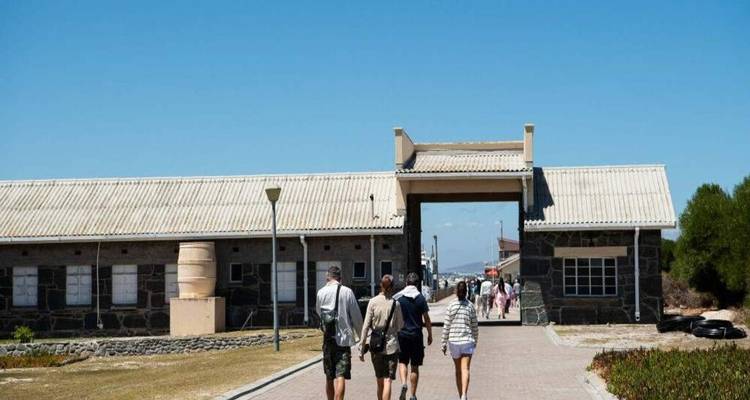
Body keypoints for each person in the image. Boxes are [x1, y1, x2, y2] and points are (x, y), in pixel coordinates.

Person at [316, 265, 364, 400]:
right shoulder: (347, 292)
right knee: (340, 375)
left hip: (328, 339)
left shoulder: (321, 292)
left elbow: (319, 313)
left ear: (327, 277)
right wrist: (361, 338)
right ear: (340, 278)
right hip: (343, 340)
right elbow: (356, 317)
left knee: (329, 376)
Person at [360, 275, 404, 400]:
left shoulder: (372, 302)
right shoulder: (396, 304)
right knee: (388, 380)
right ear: (392, 287)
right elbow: (400, 326)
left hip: (375, 345)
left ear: (380, 285)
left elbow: (365, 326)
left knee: (379, 380)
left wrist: (362, 347)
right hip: (391, 345)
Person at [394, 273, 433, 400]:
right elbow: (426, 318)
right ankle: (413, 395)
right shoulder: (420, 298)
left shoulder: (399, 298)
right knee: (415, 366)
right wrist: (430, 334)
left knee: (403, 362)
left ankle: (404, 383)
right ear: (417, 284)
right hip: (416, 335)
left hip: (402, 334)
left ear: (406, 282)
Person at [441, 281, 479, 400]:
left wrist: (443, 342)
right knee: (465, 369)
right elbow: (474, 326)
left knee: (458, 370)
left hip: (453, 341)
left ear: (457, 292)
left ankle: (460, 395)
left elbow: (446, 325)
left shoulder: (451, 305)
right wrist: (475, 340)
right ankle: (464, 395)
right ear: (467, 292)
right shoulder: (470, 306)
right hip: (467, 340)